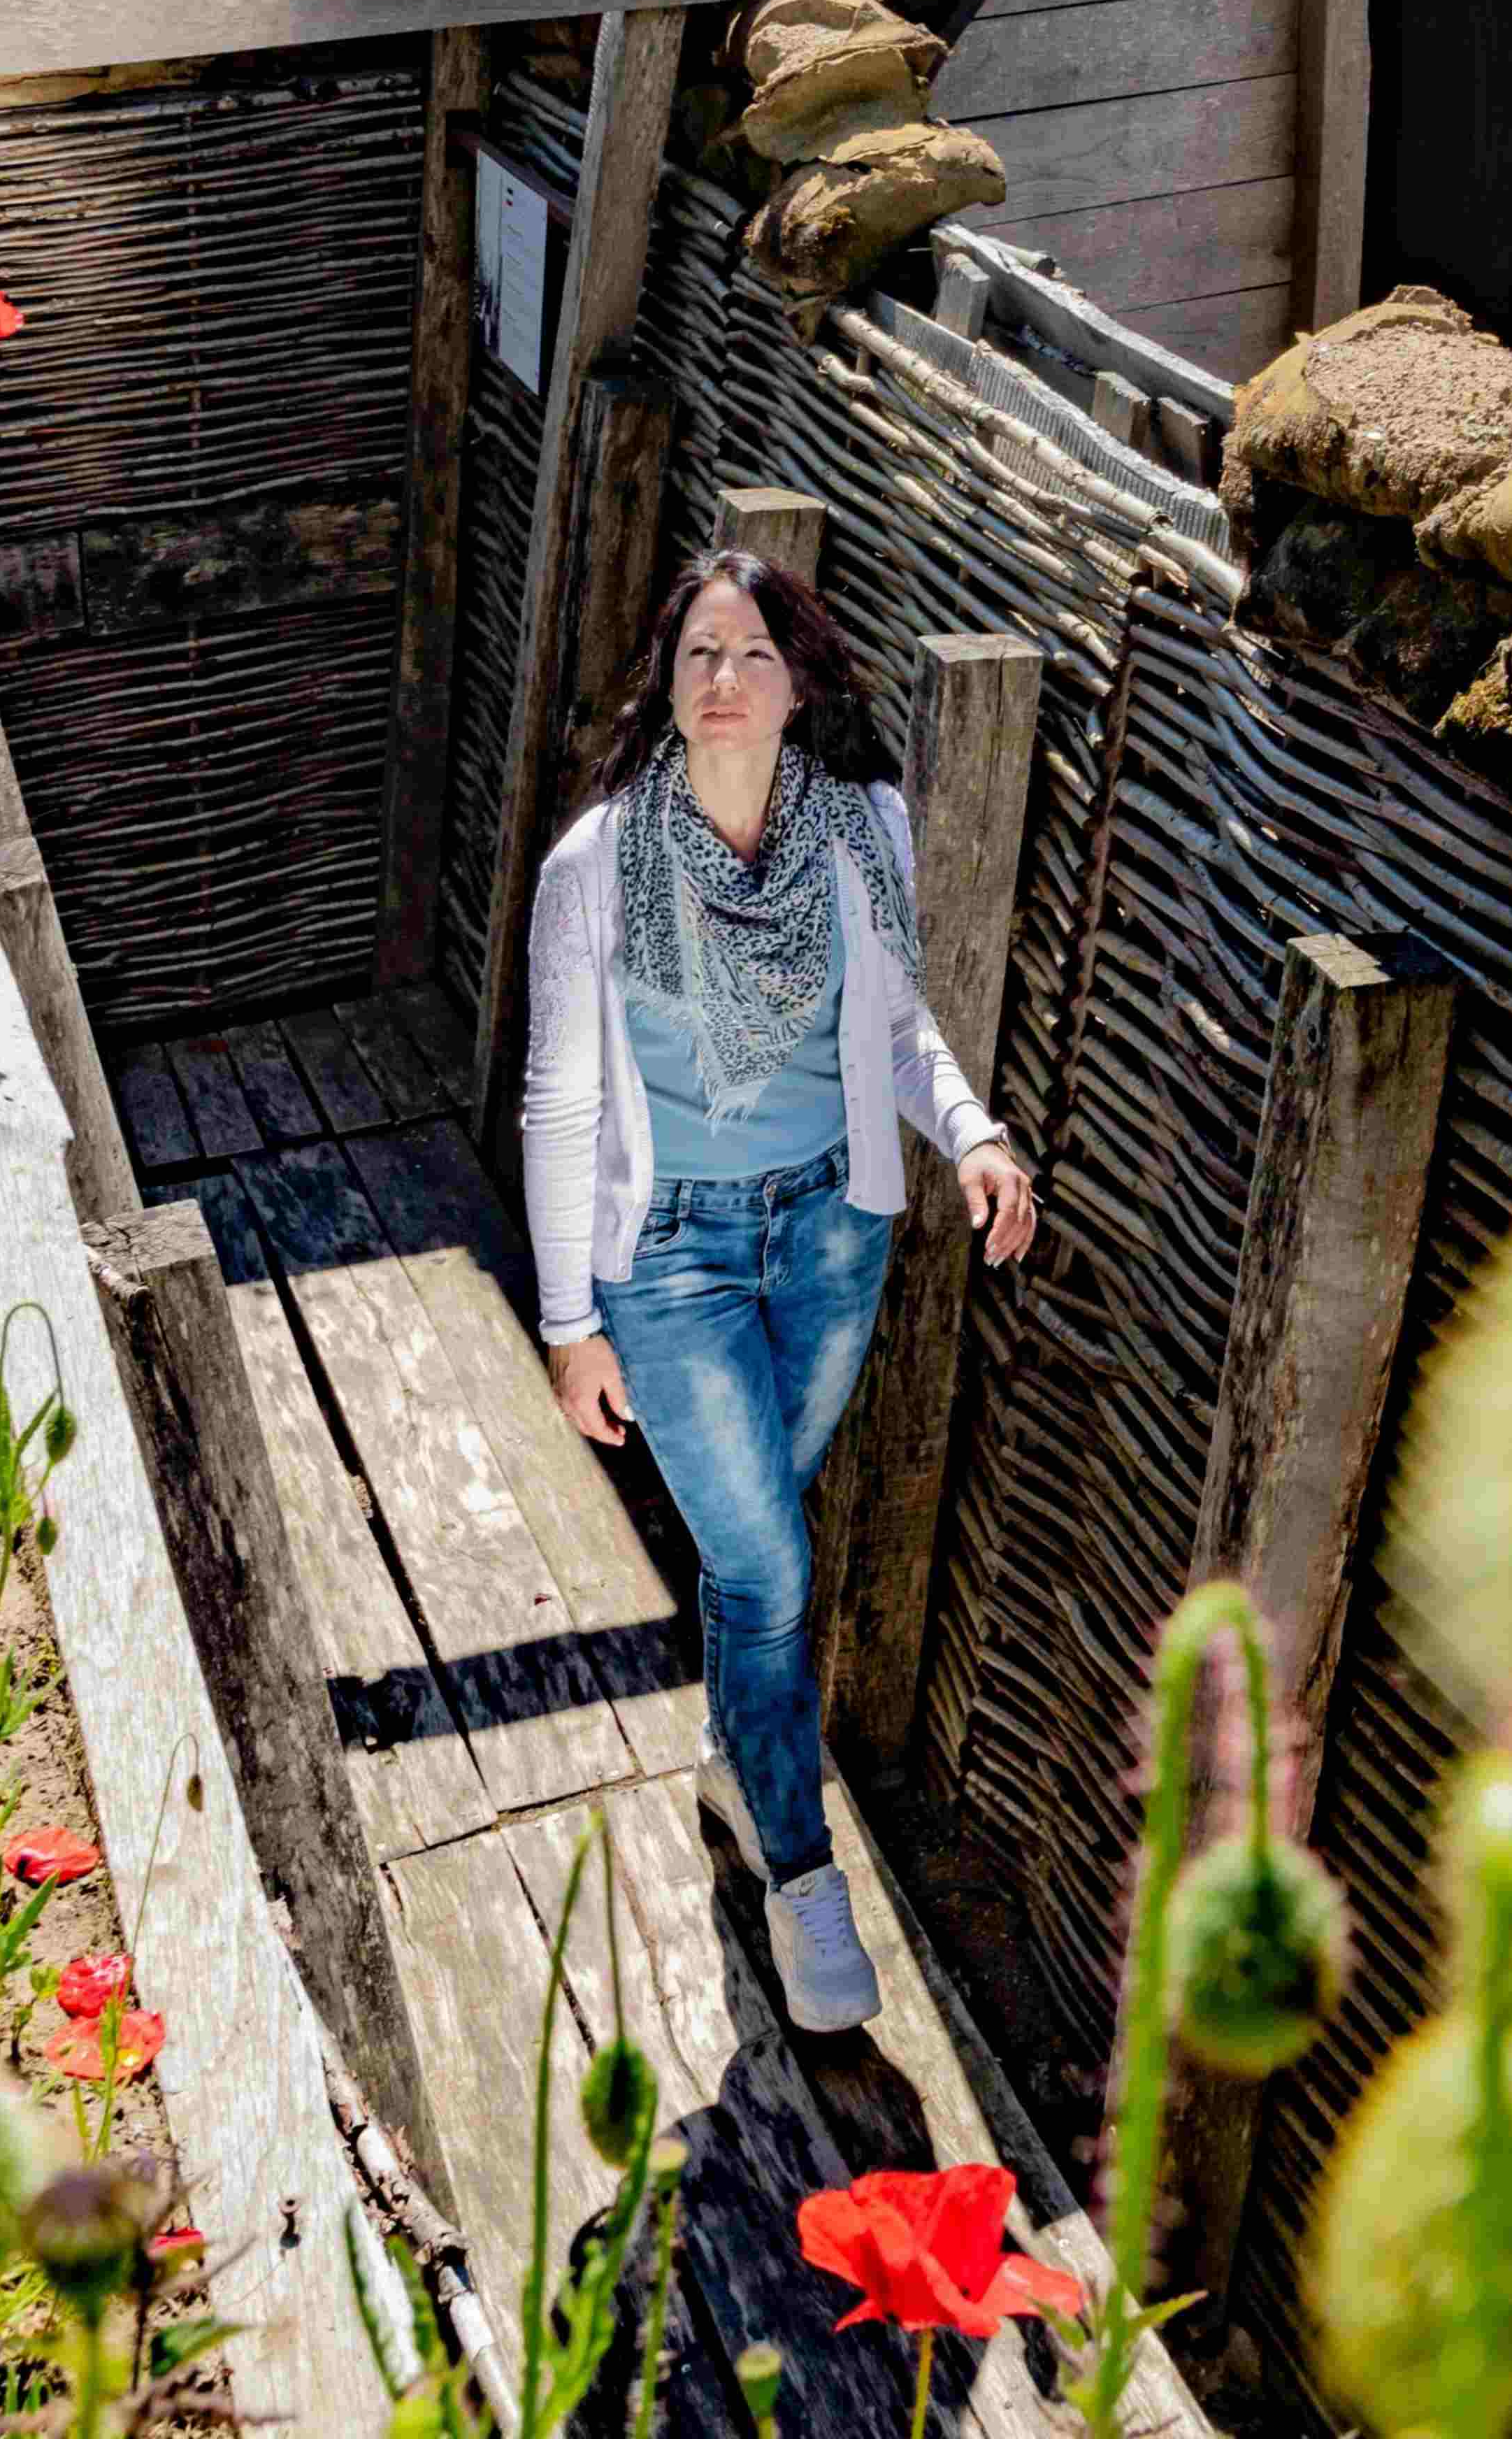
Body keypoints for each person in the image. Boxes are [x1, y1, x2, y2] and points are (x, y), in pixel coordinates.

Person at [519, 549, 1037, 2033]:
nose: (725, 676)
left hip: (831, 1232)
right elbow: (559, 1100)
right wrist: (571, 1320)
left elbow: (892, 1025)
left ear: (798, 681)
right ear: (669, 692)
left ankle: (735, 1761)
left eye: (752, 651)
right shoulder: (598, 866)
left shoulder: (863, 826)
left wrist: (975, 1135)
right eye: (698, 654)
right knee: (771, 1569)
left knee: (756, 1567)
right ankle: (801, 1869)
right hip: (666, 1254)